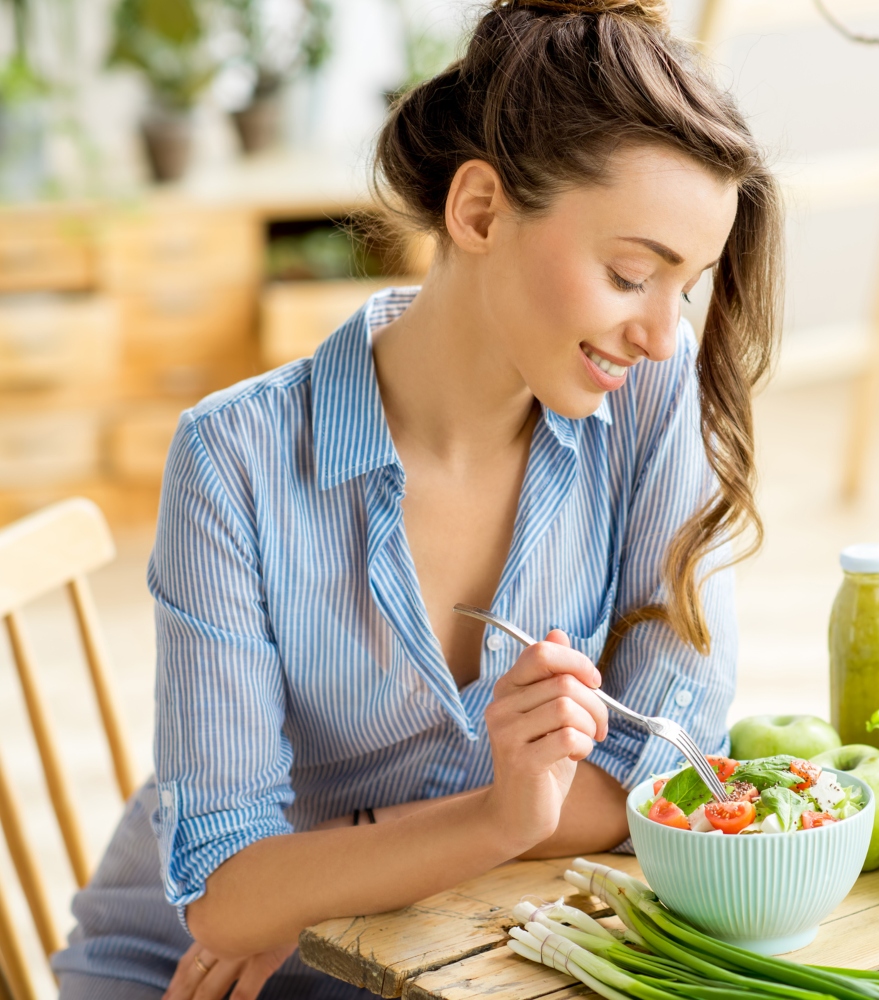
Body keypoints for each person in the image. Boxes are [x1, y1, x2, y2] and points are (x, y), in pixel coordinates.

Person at [52, 1, 781, 995]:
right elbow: (225, 892)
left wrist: (312, 879)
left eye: (684, 287)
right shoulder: (235, 457)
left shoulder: (653, 393)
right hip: (195, 975)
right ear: (478, 210)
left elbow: (666, 769)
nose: (659, 330)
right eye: (628, 274)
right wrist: (497, 817)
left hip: (449, 952)